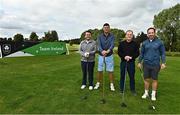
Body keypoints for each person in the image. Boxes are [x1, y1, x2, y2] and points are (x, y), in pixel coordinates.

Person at [138, 27, 166, 101]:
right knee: (146, 79)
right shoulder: (144, 43)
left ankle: (153, 94)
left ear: (155, 33)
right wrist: (139, 62)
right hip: (146, 64)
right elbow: (142, 54)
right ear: (147, 34)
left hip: (155, 64)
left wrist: (163, 62)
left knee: (154, 80)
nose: (150, 34)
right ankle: (146, 93)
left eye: (152, 32)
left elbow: (163, 53)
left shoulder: (160, 42)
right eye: (149, 33)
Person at [94, 23, 115, 91]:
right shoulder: (99, 36)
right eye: (105, 27)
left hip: (109, 55)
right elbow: (99, 45)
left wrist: (108, 51)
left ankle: (111, 84)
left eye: (107, 27)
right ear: (103, 28)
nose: (106, 28)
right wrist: (102, 51)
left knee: (110, 71)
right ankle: (98, 83)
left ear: (109, 28)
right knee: (100, 70)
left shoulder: (112, 36)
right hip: (101, 55)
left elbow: (112, 45)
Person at [118, 30, 139, 96]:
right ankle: (121, 89)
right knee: (122, 76)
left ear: (132, 36)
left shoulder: (135, 44)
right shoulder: (121, 43)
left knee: (132, 77)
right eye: (128, 34)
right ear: (126, 35)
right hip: (123, 62)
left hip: (131, 63)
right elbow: (119, 52)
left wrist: (131, 57)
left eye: (130, 34)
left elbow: (137, 53)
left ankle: (132, 90)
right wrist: (124, 57)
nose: (129, 35)